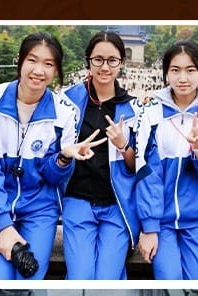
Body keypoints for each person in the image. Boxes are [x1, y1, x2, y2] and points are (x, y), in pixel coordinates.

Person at [0, 33, 91, 280]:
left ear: (57, 69)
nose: (39, 71)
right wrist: (3, 226)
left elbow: (53, 176)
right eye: (32, 60)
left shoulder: (66, 112)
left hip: (40, 207)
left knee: (31, 278)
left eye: (48, 64)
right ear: (20, 61)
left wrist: (63, 159)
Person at [134, 41, 198, 279]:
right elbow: (146, 172)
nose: (182, 78)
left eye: (191, 70)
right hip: (162, 223)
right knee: (168, 281)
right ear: (166, 72)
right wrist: (149, 228)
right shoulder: (151, 114)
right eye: (175, 70)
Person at [59, 30, 142, 280]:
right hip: (78, 199)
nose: (105, 67)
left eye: (112, 60)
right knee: (80, 276)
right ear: (88, 61)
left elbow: (137, 165)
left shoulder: (133, 107)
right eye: (98, 59)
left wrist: (123, 145)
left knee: (108, 277)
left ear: (121, 63)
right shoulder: (68, 102)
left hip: (116, 203)